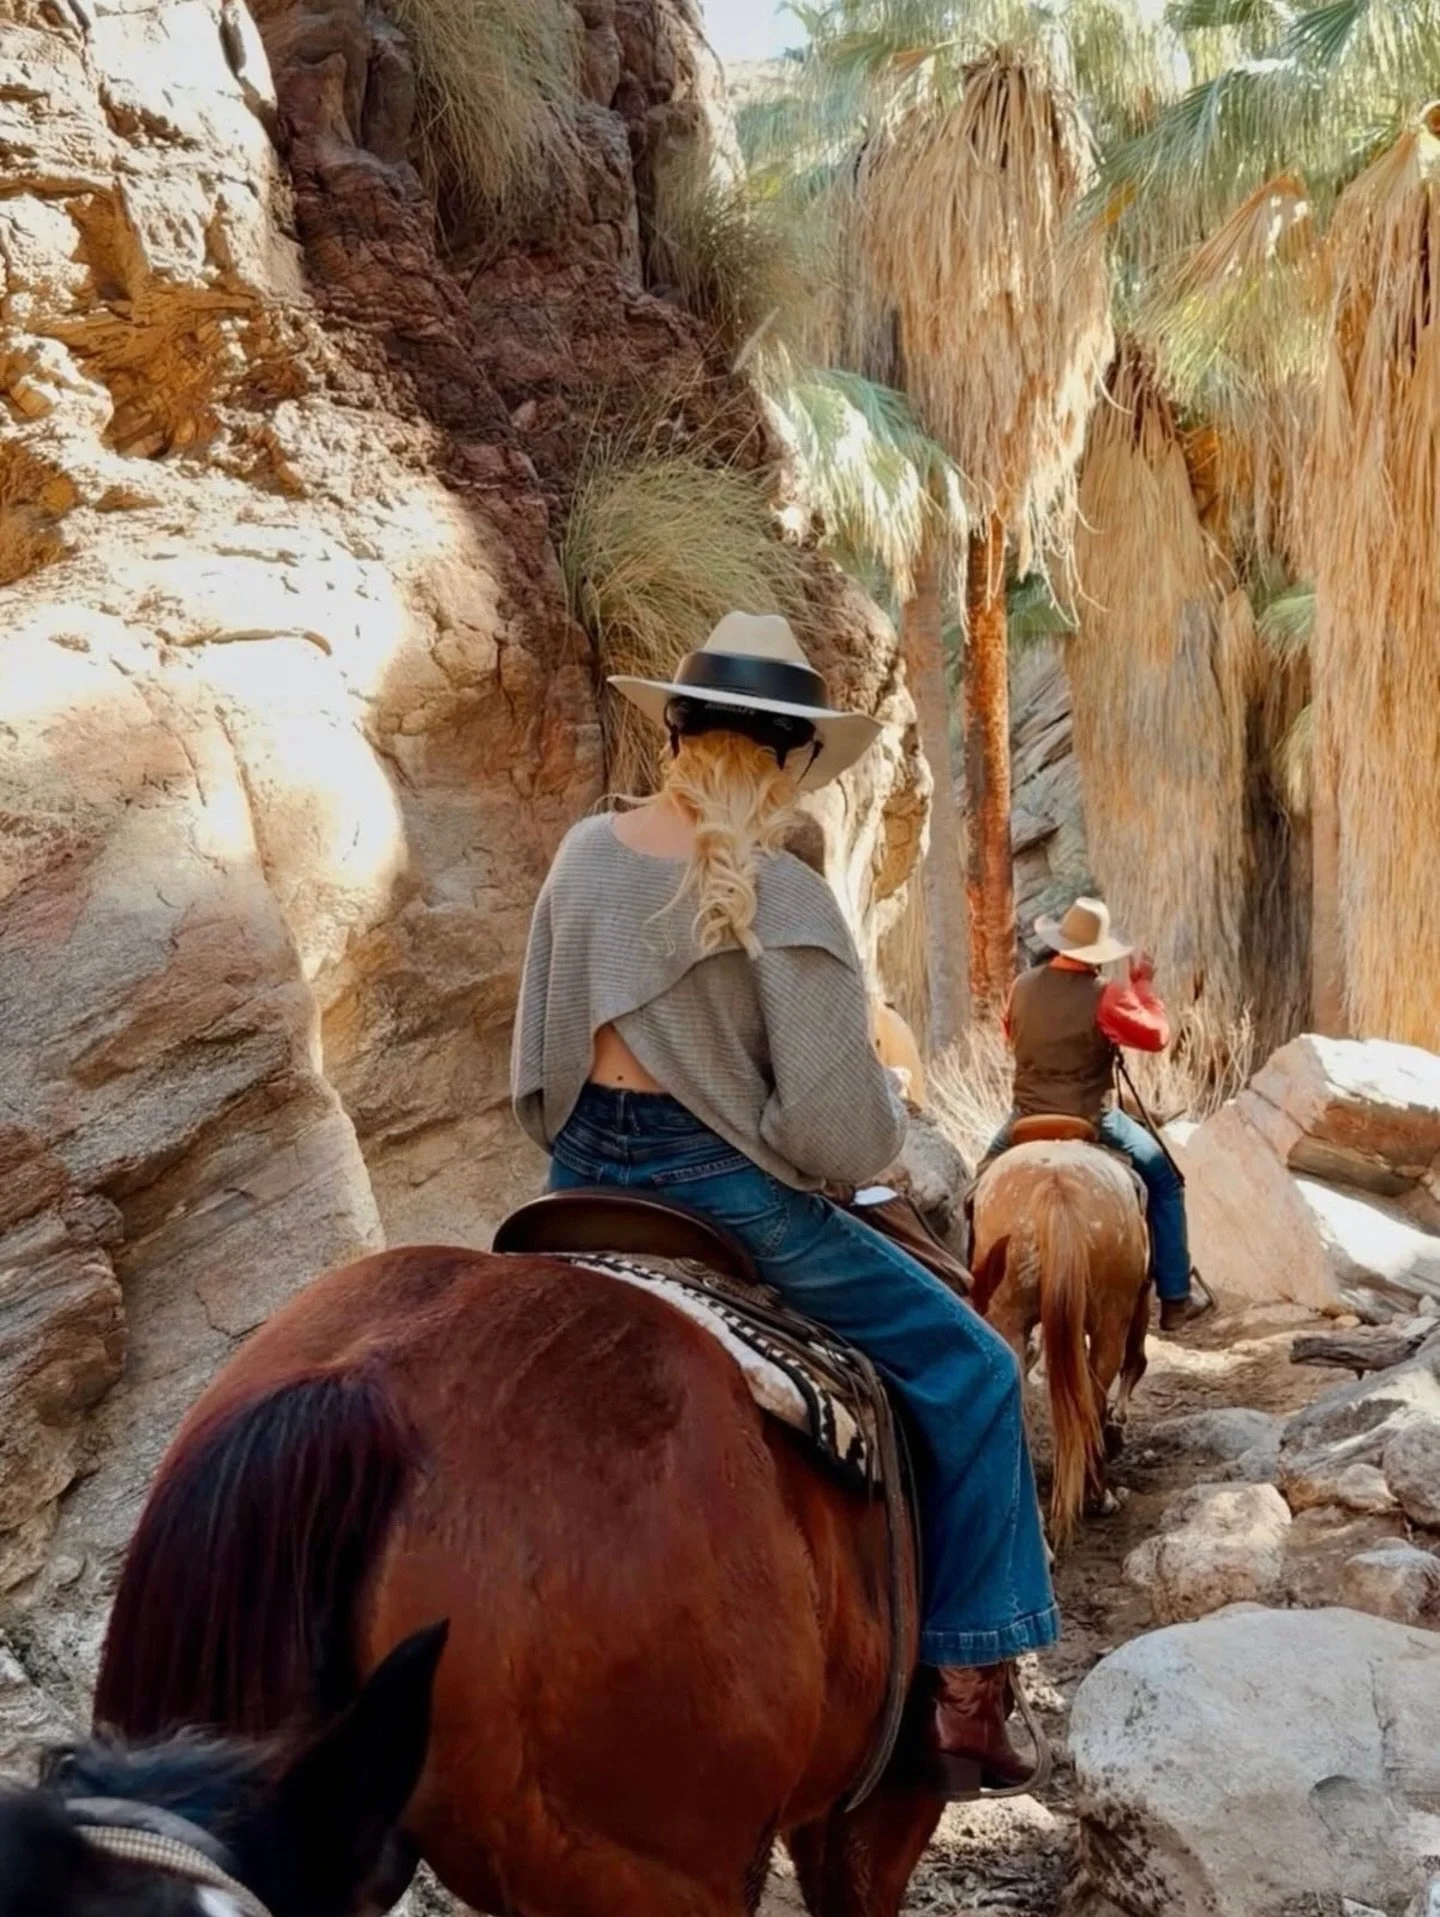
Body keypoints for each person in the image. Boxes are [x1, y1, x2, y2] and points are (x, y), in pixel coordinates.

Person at [512, 611, 1057, 1798]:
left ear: (674, 731)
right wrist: (862, 1136)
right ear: (793, 761)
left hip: (577, 1185)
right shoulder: (782, 894)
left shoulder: (582, 857)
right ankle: (967, 1690)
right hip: (725, 1196)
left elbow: (537, 1078)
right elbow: (834, 1133)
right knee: (973, 1370)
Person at [987, 897, 1212, 1333]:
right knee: (1166, 1181)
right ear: (1098, 952)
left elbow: (1008, 1034)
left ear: (1060, 942)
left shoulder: (1021, 986)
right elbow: (1157, 1037)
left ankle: (971, 1289)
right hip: (1093, 1117)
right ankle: (1175, 1297)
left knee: (979, 1186)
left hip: (1026, 1113)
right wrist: (1143, 987)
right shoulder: (1107, 995)